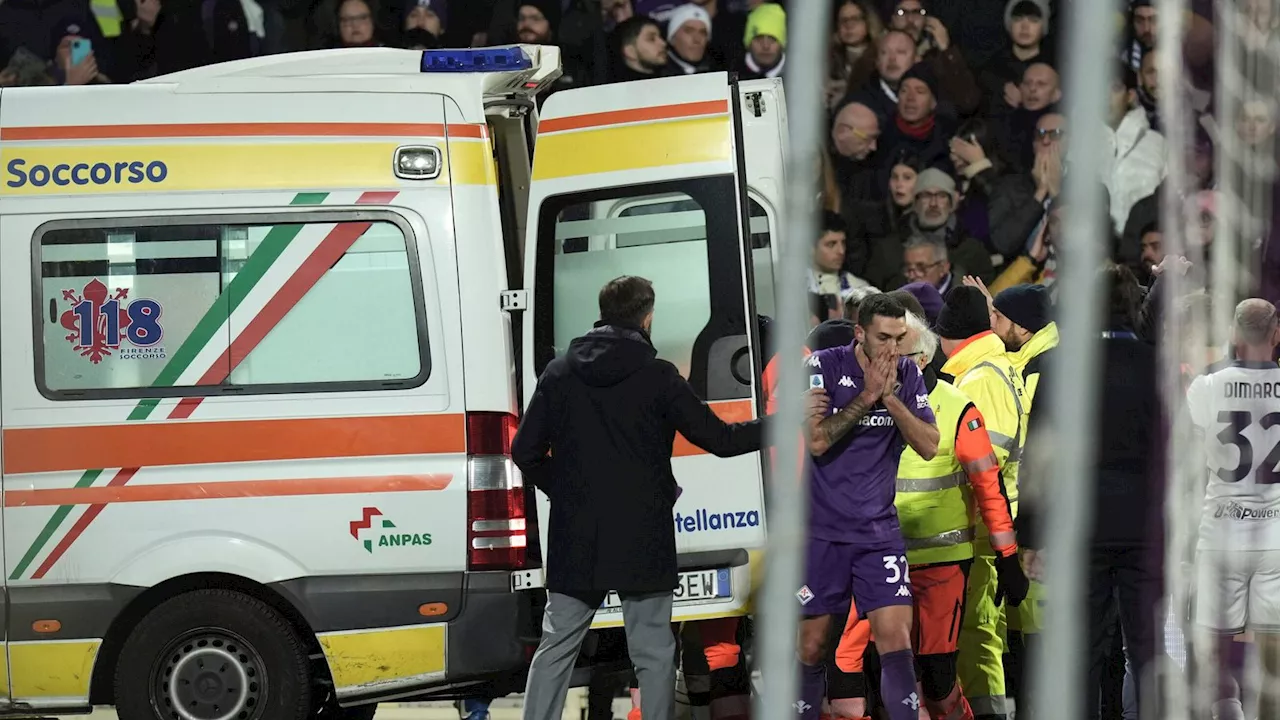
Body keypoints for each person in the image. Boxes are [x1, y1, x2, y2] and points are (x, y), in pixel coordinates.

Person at [512, 276, 765, 720]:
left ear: (602, 312)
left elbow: (524, 452)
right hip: (642, 530)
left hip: (578, 534)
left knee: (556, 646)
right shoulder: (658, 376)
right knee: (653, 650)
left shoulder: (560, 371)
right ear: (647, 316)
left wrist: (568, 491)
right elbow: (720, 440)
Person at [829, 309, 1025, 720]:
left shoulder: (957, 409)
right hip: (873, 557)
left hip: (939, 566)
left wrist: (1008, 557)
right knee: (850, 677)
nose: (884, 356)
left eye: (897, 348)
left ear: (919, 359)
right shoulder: (856, 400)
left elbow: (989, 488)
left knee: (936, 681)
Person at [799, 294, 941, 720]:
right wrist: (866, 397)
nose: (892, 349)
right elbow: (818, 440)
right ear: (860, 332)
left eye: (900, 338)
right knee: (812, 645)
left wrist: (890, 398)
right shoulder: (821, 366)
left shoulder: (907, 374)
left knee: (896, 638)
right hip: (822, 533)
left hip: (880, 533)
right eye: (883, 338)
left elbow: (930, 444)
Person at [936, 286, 1030, 720]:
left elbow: (983, 471)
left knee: (975, 636)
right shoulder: (995, 367)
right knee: (980, 635)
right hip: (990, 531)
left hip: (980, 534)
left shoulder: (980, 379)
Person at [1186, 298, 1280, 720]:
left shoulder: (1206, 386)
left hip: (1220, 533)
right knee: (1273, 651)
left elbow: (1186, 459)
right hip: (1275, 537)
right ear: (1277, 335)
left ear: (1234, 335)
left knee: (1212, 649)